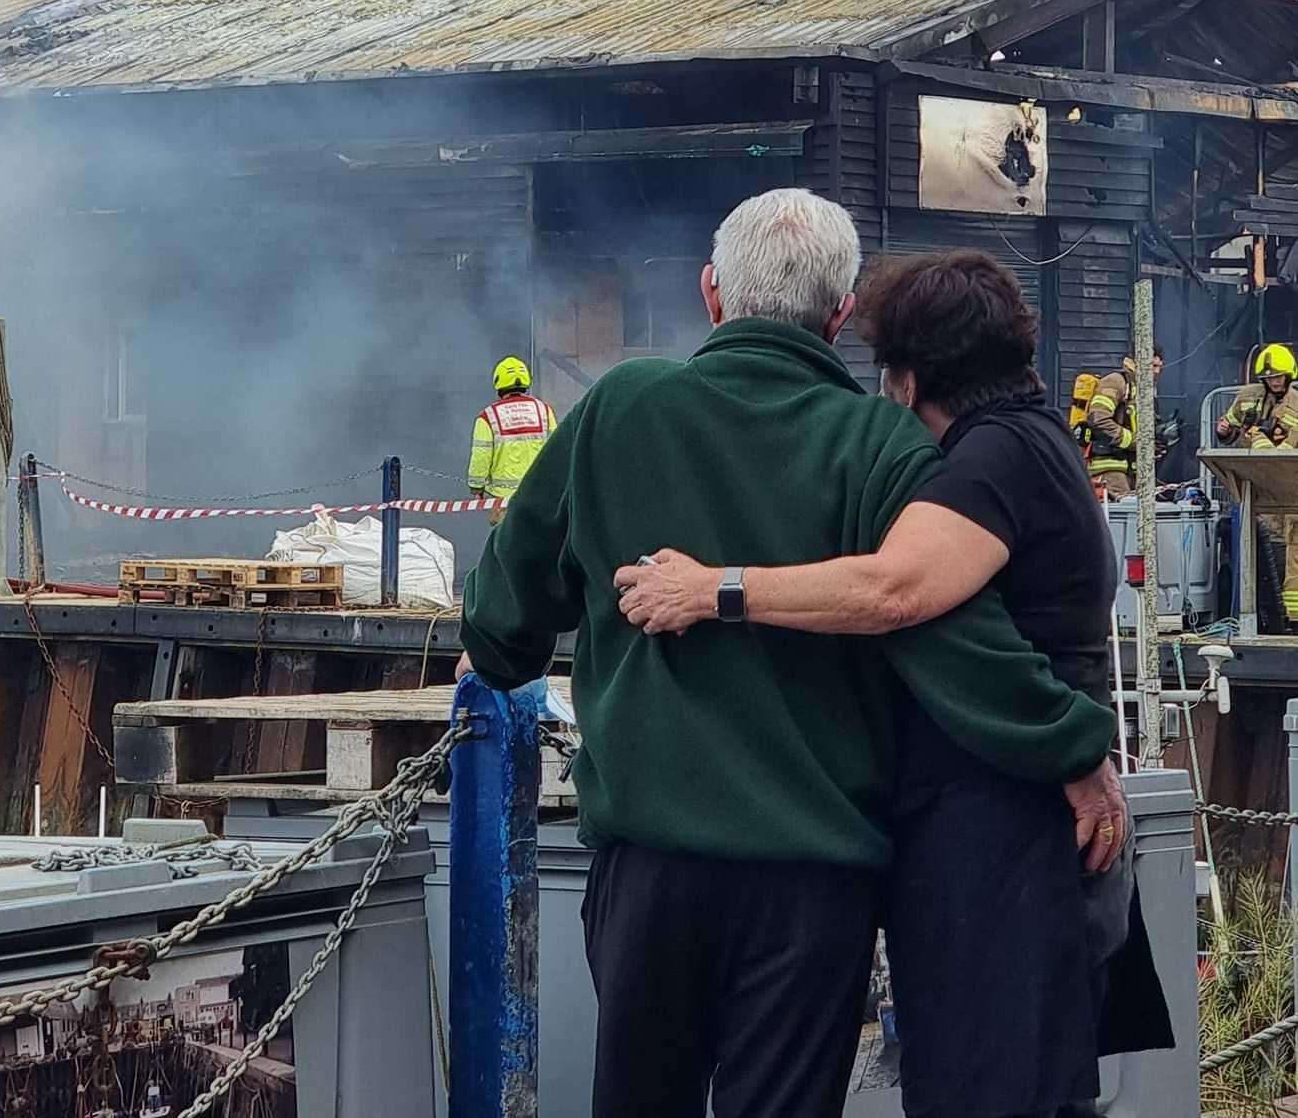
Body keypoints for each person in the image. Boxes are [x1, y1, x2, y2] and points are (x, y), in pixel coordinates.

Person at [455, 189, 1120, 1118]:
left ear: (710, 293)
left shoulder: (618, 408)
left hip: (649, 870)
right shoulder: (879, 440)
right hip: (813, 887)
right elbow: (952, 641)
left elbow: (502, 629)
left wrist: (488, 650)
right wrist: (1073, 747)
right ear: (839, 315)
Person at [615, 248, 1173, 1118]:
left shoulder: (991, 460)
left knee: (987, 1093)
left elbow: (893, 589)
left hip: (1002, 841)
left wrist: (716, 589)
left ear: (905, 383)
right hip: (1011, 830)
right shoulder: (1036, 441)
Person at [1215, 343, 1298, 625]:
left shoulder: (1296, 404)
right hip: (1253, 491)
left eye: (1279, 377)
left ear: (1289, 376)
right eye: (1269, 377)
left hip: (1287, 493)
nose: (1274, 382)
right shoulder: (1248, 396)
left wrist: (1256, 438)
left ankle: (1289, 621)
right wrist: (1224, 430)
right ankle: (1266, 618)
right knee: (1259, 556)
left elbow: (1285, 452)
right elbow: (1229, 426)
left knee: (1289, 557)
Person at [467, 355, 555, 525]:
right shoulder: (544, 411)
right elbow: (557, 451)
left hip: (504, 502)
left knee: (506, 548)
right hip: (539, 497)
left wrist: (476, 487)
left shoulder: (487, 416)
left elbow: (481, 455)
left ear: (498, 384)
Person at [1084, 346, 1163, 499]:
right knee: (1121, 516)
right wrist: (1135, 441)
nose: (1157, 371)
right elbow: (1098, 419)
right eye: (1152, 366)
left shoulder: (1143, 389)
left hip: (1132, 470)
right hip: (1110, 468)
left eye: (1160, 366)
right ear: (1136, 362)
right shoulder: (1116, 382)